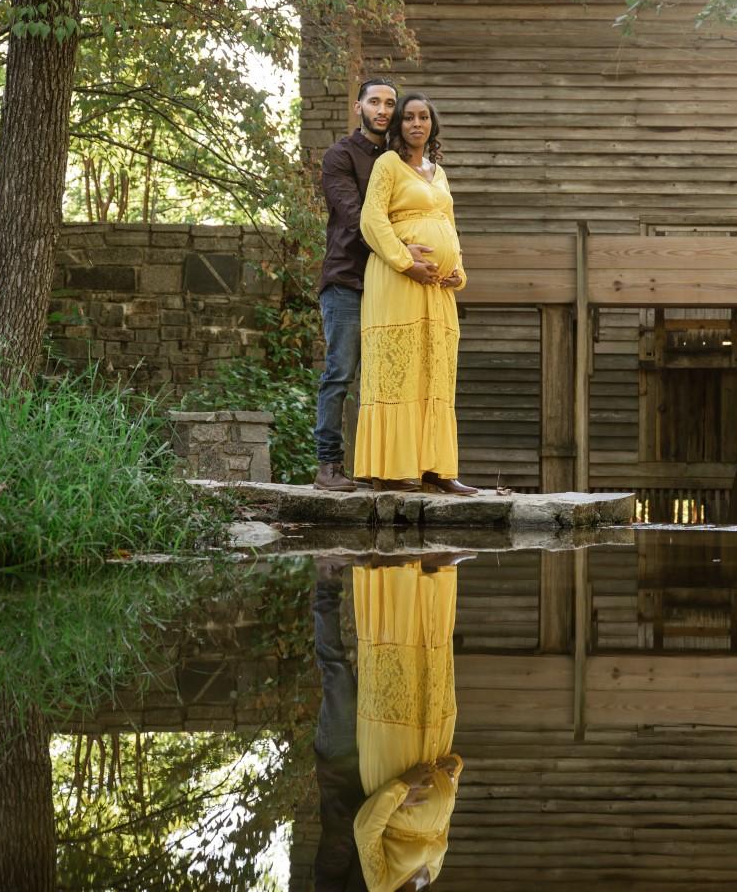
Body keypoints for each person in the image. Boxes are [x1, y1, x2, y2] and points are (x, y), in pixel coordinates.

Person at [314, 80, 439, 492]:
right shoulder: (340, 156)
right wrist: (404, 251)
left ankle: (379, 467)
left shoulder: (398, 159)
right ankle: (328, 465)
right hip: (349, 280)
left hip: (390, 282)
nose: (382, 111)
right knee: (340, 372)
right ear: (359, 108)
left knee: (387, 376)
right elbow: (357, 218)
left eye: (389, 104)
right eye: (374, 103)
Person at [354, 93, 477, 495]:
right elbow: (371, 219)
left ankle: (437, 468)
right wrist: (406, 261)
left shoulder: (438, 173)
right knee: (400, 370)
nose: (416, 124)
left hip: (437, 289)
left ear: (432, 124)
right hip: (398, 280)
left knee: (436, 370)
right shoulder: (388, 164)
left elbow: (448, 225)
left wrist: (458, 271)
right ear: (399, 125)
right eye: (408, 117)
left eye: (423, 117)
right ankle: (392, 469)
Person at [352, 556, 466, 892]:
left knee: (398, 673)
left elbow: (364, 830)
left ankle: (391, 572)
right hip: (434, 755)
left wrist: (403, 785)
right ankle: (436, 570)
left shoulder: (382, 885)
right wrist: (454, 772)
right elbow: (441, 823)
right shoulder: (434, 874)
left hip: (395, 764)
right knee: (432, 671)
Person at [310, 559, 370, 892]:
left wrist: (384, 805)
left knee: (335, 671)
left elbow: (340, 834)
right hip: (374, 767)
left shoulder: (327, 886)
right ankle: (375, 577)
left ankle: (327, 578)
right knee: (376, 660)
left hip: (339, 758)